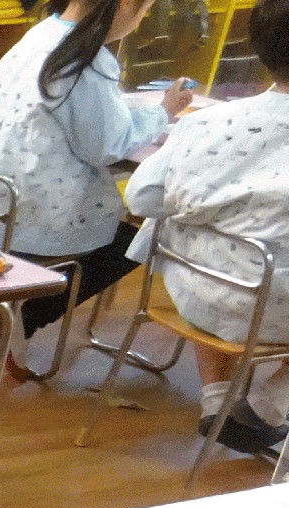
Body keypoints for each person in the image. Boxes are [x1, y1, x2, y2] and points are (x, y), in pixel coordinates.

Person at [0, 0, 192, 371]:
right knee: (136, 240)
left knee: (119, 224)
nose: (141, 20)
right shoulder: (86, 60)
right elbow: (108, 145)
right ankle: (26, 316)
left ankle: (17, 313)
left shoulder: (38, 36)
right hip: (30, 220)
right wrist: (163, 112)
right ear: (125, 5)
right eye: (144, 11)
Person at [124, 0, 289, 454]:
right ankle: (269, 404)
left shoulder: (207, 122)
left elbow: (142, 197)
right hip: (276, 305)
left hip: (196, 292)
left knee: (208, 236)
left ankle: (218, 401)